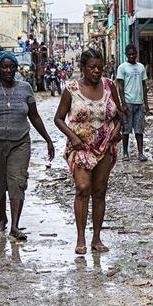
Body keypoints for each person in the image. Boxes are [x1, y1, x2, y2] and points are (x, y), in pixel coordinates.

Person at [0, 51, 55, 241]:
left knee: (17, 182)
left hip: (20, 142)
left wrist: (48, 139)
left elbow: (34, 116)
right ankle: (2, 217)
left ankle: (14, 226)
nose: (9, 70)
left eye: (12, 67)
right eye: (5, 67)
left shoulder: (25, 88)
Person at [54, 47, 123, 255]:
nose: (96, 71)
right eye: (92, 67)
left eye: (100, 68)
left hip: (104, 146)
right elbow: (58, 118)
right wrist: (72, 137)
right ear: (83, 67)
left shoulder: (110, 86)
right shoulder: (71, 89)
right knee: (83, 188)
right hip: (81, 146)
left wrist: (117, 131)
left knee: (100, 192)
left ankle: (97, 238)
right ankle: (81, 237)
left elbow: (119, 116)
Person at [116, 44, 150, 161]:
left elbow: (144, 86)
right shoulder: (122, 67)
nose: (131, 56)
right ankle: (125, 153)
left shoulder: (141, 67)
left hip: (139, 103)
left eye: (133, 54)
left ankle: (140, 153)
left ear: (136, 54)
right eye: (129, 54)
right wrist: (123, 103)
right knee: (126, 130)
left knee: (139, 130)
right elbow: (120, 86)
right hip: (128, 103)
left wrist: (146, 103)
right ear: (126, 54)